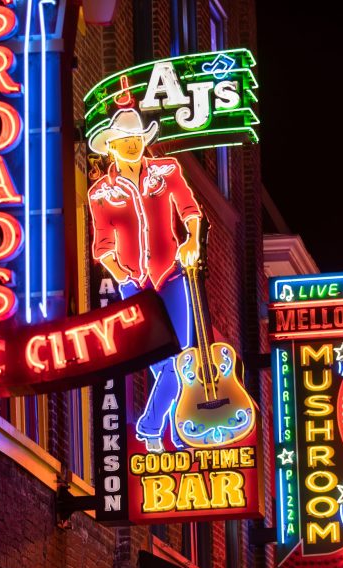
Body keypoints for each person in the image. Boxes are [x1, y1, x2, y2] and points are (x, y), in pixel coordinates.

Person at [87, 108, 202, 453]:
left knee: (179, 360)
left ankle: (154, 426)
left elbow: (189, 209)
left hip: (172, 276)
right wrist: (123, 276)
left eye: (136, 138)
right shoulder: (100, 194)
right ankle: (176, 431)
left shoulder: (166, 172)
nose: (132, 144)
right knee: (162, 362)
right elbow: (103, 246)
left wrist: (193, 240)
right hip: (135, 286)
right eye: (125, 140)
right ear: (112, 147)